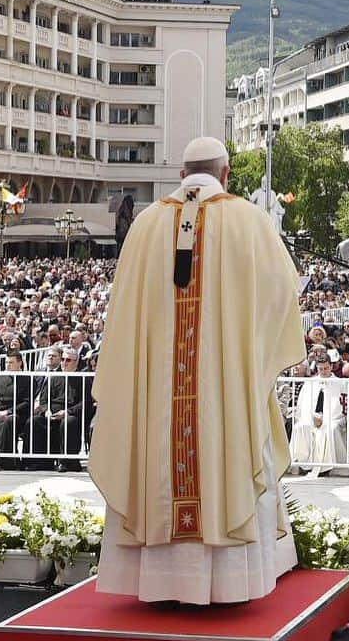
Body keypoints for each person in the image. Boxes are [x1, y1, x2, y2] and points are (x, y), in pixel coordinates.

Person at [90, 137, 304, 605]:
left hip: (157, 400)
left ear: (182, 174)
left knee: (156, 457)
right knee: (229, 453)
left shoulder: (146, 225)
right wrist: (249, 355)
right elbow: (282, 294)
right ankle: (229, 585)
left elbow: (121, 315)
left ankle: (156, 581)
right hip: (222, 393)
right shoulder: (249, 219)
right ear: (225, 173)